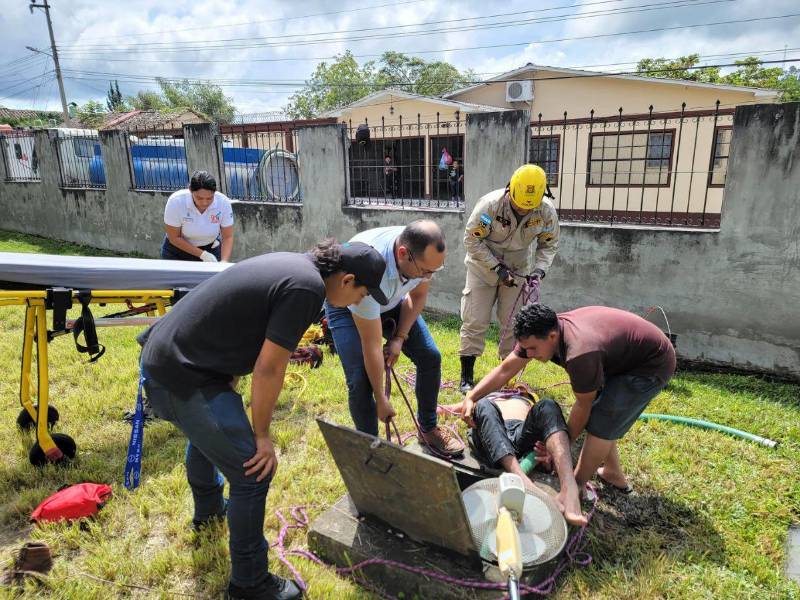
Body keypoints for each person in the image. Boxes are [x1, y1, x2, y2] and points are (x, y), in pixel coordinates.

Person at [138, 240, 388, 600]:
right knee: (253, 469)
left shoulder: (295, 263)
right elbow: (270, 368)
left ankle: (209, 512)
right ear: (347, 280)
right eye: (362, 293)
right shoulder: (307, 287)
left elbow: (241, 325)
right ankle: (250, 584)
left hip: (171, 358)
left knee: (216, 437)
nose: (358, 302)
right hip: (180, 374)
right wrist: (263, 436)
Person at [464, 303, 676, 496]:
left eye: (533, 349)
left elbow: (583, 406)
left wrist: (556, 448)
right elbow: (506, 369)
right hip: (619, 354)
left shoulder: (579, 353)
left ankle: (577, 484)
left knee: (602, 422)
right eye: (525, 348)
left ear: (552, 337)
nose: (528, 354)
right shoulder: (537, 333)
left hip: (650, 364)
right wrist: (471, 397)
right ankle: (613, 472)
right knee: (603, 413)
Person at [325, 221, 465, 456]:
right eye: (426, 271)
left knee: (430, 356)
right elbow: (372, 345)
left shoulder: (420, 252)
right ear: (403, 254)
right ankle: (372, 449)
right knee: (360, 379)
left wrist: (399, 337)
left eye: (434, 271)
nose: (428, 276)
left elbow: (417, 296)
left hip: (389, 300)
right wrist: (381, 399)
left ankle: (428, 429)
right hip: (350, 302)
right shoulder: (371, 270)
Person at [458, 164, 560, 393]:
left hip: (518, 268)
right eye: (519, 205)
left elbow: (549, 244)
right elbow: (472, 240)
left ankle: (508, 377)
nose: (524, 211)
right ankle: (466, 378)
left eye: (529, 207)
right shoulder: (490, 206)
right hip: (482, 267)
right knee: (475, 318)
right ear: (510, 190)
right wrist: (496, 268)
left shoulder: (545, 211)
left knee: (513, 324)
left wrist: (539, 270)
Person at [446, 389, 587, 526]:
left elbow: (546, 422)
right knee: (483, 404)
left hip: (521, 434)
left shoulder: (528, 397)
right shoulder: (489, 393)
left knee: (548, 405)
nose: (517, 386)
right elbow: (460, 406)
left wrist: (549, 450)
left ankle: (569, 487)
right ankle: (524, 482)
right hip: (489, 434)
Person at [161, 170, 234, 262]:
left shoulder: (223, 203)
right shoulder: (176, 201)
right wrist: (202, 254)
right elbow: (174, 238)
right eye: (199, 198)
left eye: (209, 198)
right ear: (191, 190)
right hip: (177, 251)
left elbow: (227, 236)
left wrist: (224, 262)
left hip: (211, 249)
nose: (204, 203)